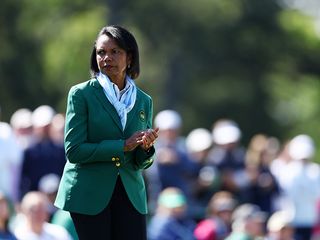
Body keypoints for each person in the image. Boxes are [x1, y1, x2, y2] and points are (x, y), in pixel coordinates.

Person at [54, 25, 158, 240]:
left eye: (115, 52)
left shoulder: (144, 100)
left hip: (130, 194)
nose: (106, 57)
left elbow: (140, 162)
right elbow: (74, 150)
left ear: (129, 58)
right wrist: (122, 146)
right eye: (101, 52)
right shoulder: (81, 94)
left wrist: (146, 149)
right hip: (89, 194)